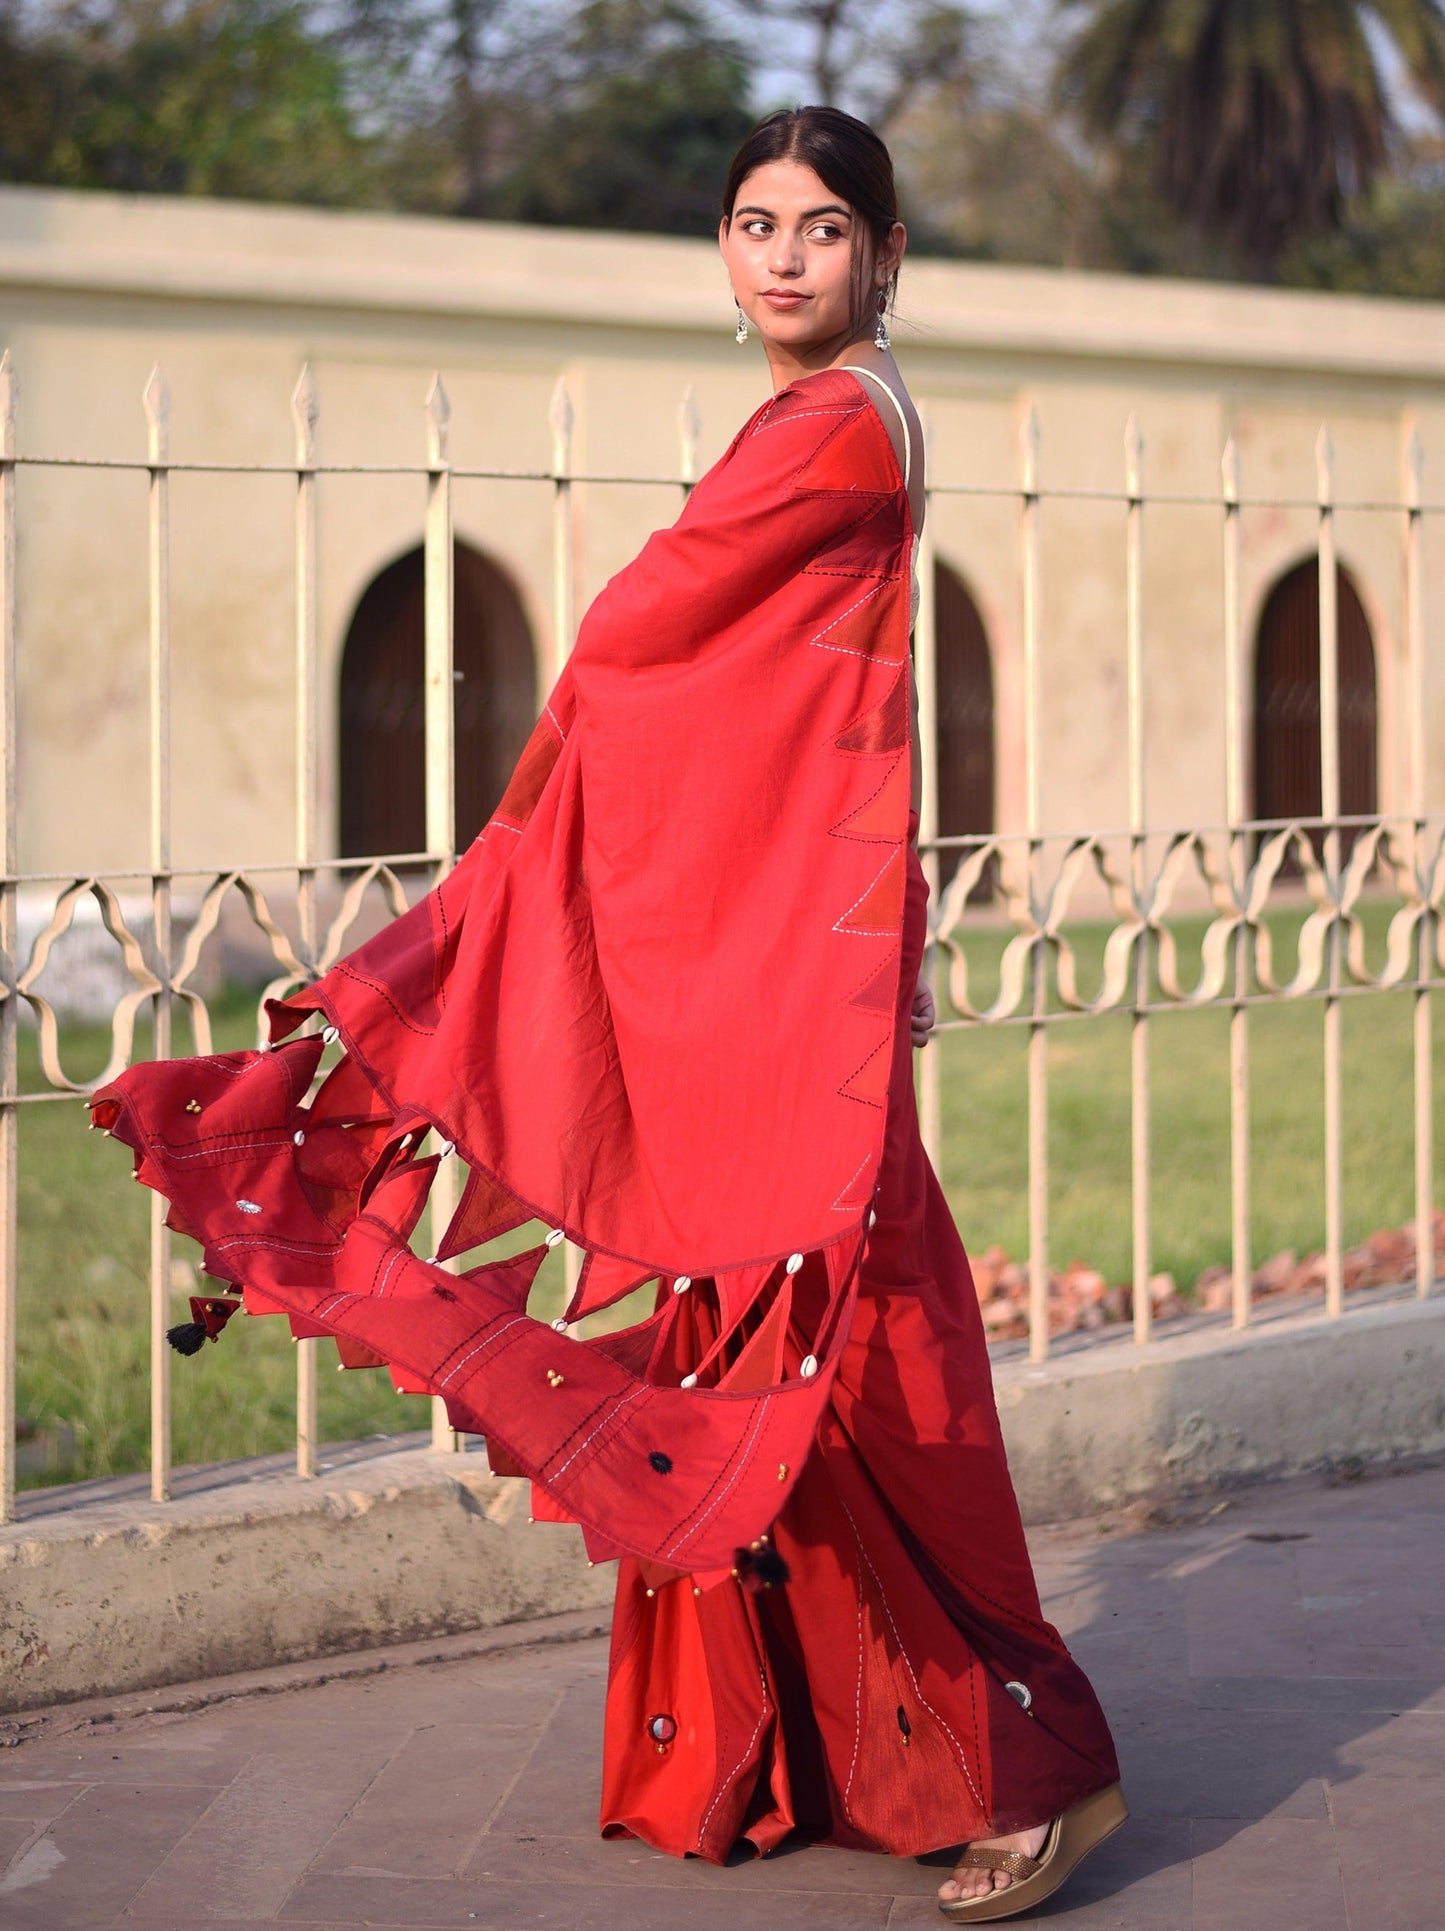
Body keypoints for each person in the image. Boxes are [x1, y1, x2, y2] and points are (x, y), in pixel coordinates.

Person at [92, 105, 1123, 1927]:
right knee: (767, 1325)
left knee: (861, 1360)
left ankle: (1017, 1761)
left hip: (790, 976)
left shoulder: (837, 424)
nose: (783, 253)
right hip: (771, 961)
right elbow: (688, 659)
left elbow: (648, 631)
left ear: (887, 257)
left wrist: (551, 818)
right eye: (751, 222)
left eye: (820, 225)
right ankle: (790, 1745)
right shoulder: (809, 423)